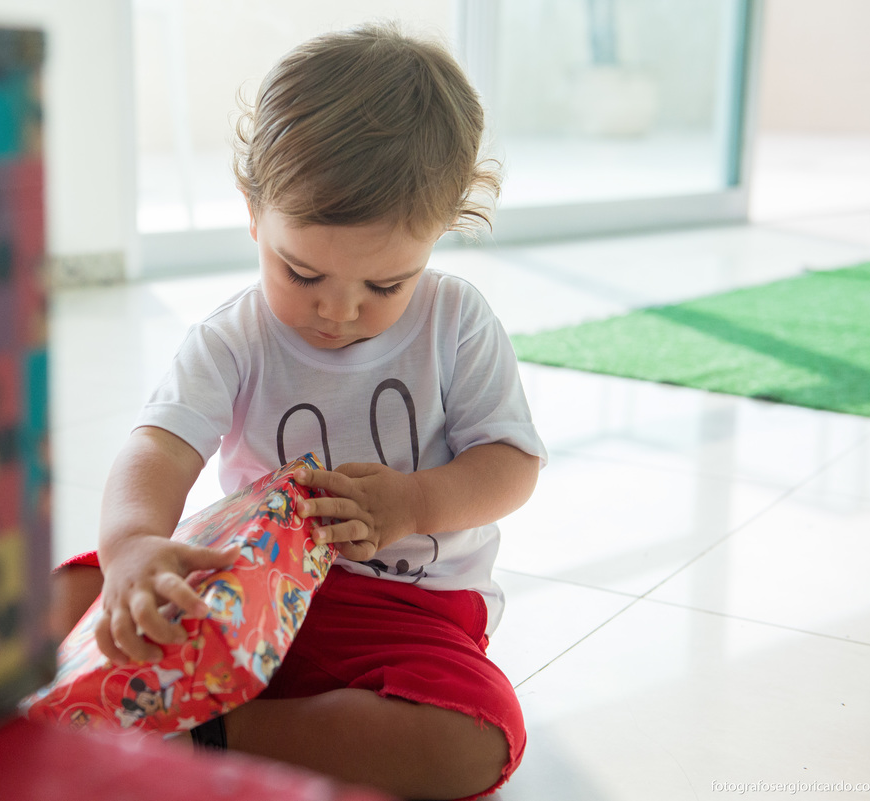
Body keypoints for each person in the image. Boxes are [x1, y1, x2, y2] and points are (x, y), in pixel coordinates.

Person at [54, 23, 547, 800]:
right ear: (254, 212)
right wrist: (131, 547)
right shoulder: (234, 335)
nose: (340, 309)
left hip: (406, 610)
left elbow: (512, 467)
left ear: (440, 232)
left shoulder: (457, 320)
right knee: (57, 594)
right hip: (243, 584)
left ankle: (205, 736)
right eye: (302, 271)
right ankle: (58, 701)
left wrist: (415, 501)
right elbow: (158, 447)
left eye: (386, 285)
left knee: (476, 736)